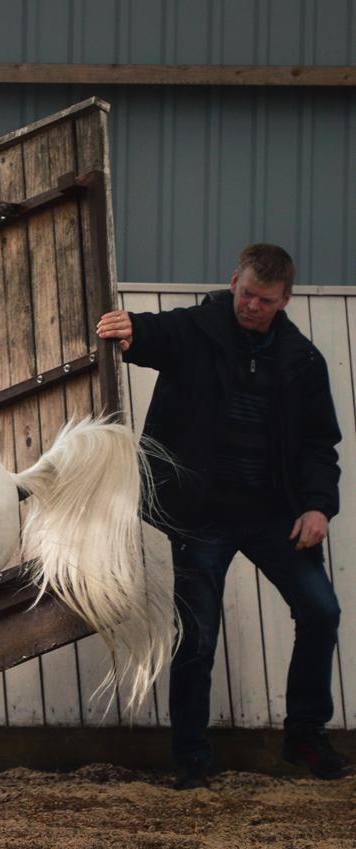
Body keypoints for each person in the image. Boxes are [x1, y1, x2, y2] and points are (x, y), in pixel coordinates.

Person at [96, 243, 351, 790]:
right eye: (246, 293)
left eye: (265, 300)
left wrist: (316, 506)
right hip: (201, 515)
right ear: (233, 280)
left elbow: (319, 445)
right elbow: (156, 333)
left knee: (322, 611)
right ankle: (191, 759)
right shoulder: (199, 327)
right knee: (198, 637)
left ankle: (304, 736)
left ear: (285, 299)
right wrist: (129, 327)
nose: (251, 306)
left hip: (274, 517)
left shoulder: (302, 361)